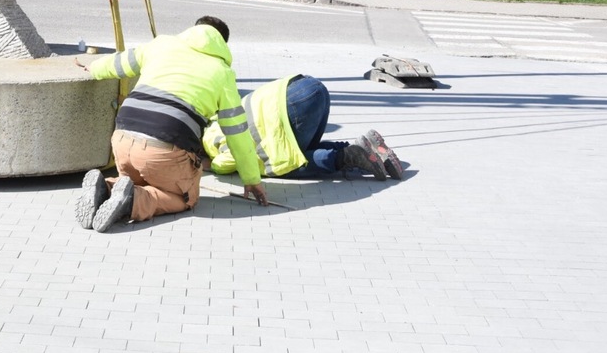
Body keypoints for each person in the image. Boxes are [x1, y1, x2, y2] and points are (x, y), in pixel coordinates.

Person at [74, 16, 269, 232]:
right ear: (222, 43)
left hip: (122, 138)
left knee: (135, 180)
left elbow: (120, 63)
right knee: (185, 197)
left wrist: (93, 68)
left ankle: (107, 187)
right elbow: (237, 133)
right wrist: (251, 178)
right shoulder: (223, 73)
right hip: (163, 149)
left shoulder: (161, 44)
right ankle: (132, 201)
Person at [202, 75, 404, 181]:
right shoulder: (218, 116)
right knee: (295, 150)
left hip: (295, 105)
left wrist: (211, 166)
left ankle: (351, 156)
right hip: (306, 86)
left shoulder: (211, 141)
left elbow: (231, 158)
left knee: (288, 165)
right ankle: (362, 147)